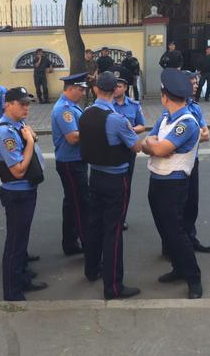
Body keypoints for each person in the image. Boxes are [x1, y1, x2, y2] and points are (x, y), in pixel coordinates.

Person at [79, 71, 143, 300]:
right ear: (115, 89)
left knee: (94, 225)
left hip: (95, 176)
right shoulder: (117, 119)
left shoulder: (85, 113)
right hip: (116, 179)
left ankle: (91, 269)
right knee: (113, 231)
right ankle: (113, 286)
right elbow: (136, 147)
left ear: (96, 89)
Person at [141, 68, 203, 299]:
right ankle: (178, 268)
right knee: (166, 231)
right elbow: (147, 142)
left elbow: (157, 148)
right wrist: (155, 146)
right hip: (157, 181)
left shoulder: (186, 123)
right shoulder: (165, 118)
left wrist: (155, 146)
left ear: (165, 96)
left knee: (176, 233)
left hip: (173, 185)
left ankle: (193, 278)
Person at [0, 87, 48, 301]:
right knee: (15, 244)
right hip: (18, 193)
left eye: (27, 104)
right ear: (8, 105)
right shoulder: (5, 132)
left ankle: (22, 279)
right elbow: (18, 170)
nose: (26, 108)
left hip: (26, 190)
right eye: (21, 104)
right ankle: (12, 291)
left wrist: (31, 137)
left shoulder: (17, 125)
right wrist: (31, 142)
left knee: (21, 242)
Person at [51, 72, 89, 256]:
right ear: (71, 88)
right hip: (70, 162)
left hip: (74, 160)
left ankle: (70, 242)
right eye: (81, 89)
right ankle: (87, 244)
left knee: (72, 203)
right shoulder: (64, 109)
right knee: (81, 204)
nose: (83, 93)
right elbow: (73, 137)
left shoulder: (72, 106)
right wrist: (95, 131)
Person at [182, 71, 210, 253]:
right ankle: (173, 245)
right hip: (178, 163)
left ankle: (190, 238)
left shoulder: (195, 107)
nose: (196, 86)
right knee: (178, 205)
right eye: (192, 83)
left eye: (196, 83)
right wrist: (195, 135)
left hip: (193, 160)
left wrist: (190, 136)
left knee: (192, 203)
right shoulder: (174, 107)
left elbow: (206, 134)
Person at [112, 65, 145, 231]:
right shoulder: (106, 104)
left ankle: (121, 217)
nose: (116, 89)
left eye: (119, 86)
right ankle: (110, 215)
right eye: (114, 86)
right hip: (111, 150)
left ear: (125, 87)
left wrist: (129, 129)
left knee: (125, 186)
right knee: (111, 185)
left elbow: (142, 126)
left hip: (128, 150)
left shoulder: (133, 105)